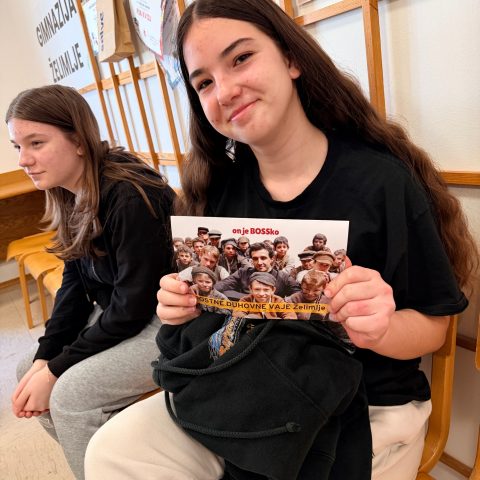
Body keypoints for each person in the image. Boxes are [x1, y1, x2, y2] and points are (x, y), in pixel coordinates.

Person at [85, 1, 479, 479]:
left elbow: (435, 327)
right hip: (248, 383)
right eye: (204, 82)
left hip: (367, 402)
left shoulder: (382, 183)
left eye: (241, 58)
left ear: (291, 58)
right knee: (111, 452)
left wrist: (381, 327)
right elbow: (218, 311)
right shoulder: (217, 190)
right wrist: (179, 304)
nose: (225, 90)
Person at [6, 84, 175, 479]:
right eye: (17, 146)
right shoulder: (69, 193)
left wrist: (57, 370)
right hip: (122, 311)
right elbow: (74, 288)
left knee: (70, 396)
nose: (24, 160)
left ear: (79, 141)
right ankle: (110, 466)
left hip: (168, 320)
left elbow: (133, 309)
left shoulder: (130, 196)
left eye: (36, 143)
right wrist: (47, 356)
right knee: (27, 369)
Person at [215, 241, 300, 300]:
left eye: (263, 258)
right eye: (255, 259)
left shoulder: (283, 277)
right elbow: (222, 285)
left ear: (272, 259)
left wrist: (278, 301)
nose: (259, 262)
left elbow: (299, 293)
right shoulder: (243, 272)